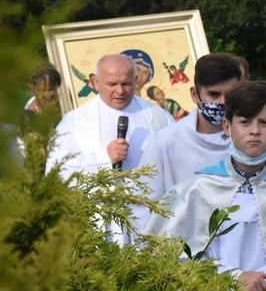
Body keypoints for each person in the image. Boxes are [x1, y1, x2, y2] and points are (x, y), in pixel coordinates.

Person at [145, 82, 266, 291]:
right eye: (244, 122)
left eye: (264, 123)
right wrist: (232, 277)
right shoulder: (196, 189)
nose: (254, 131)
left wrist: (263, 278)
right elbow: (169, 255)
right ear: (227, 127)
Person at [46, 54, 173, 238]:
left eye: (126, 83)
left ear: (136, 81)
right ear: (96, 82)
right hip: (100, 222)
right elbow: (55, 173)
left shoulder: (157, 117)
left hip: (151, 222)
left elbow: (178, 161)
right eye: (112, 84)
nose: (120, 91)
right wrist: (104, 158)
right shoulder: (75, 121)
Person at [140, 53, 242, 200]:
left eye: (231, 94)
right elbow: (144, 202)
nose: (223, 102)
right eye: (213, 95)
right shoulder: (166, 142)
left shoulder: (253, 136)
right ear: (195, 94)